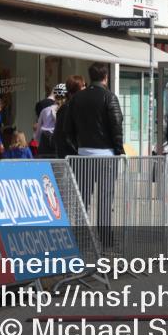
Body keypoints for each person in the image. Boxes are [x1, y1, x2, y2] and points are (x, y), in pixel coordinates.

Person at [65, 63, 125, 248]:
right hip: (106, 155)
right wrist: (119, 151)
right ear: (105, 77)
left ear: (89, 77)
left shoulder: (77, 99)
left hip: (82, 155)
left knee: (82, 199)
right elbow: (116, 126)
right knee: (105, 199)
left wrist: (77, 148)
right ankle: (105, 239)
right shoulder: (109, 97)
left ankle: (80, 238)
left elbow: (68, 129)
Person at [54, 75, 85, 158]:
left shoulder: (70, 106)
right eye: (83, 86)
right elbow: (64, 134)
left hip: (70, 154)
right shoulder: (67, 108)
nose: (85, 88)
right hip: (69, 156)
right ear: (77, 89)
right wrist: (78, 150)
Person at [35, 83, 65, 157]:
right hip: (59, 145)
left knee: (44, 168)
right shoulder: (67, 110)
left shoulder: (45, 110)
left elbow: (37, 134)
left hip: (44, 145)